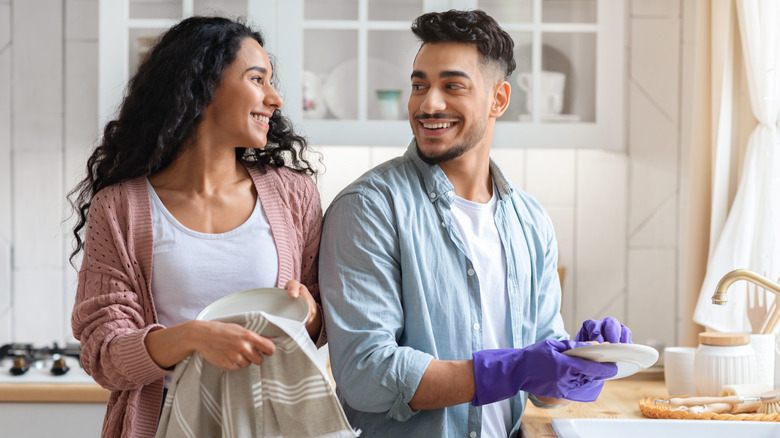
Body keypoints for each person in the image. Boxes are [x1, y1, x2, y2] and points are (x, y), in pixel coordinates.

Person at [319, 9, 632, 437]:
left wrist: (583, 359)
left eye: (452, 86)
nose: (428, 103)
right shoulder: (370, 209)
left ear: (498, 99)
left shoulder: (530, 221)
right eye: (419, 85)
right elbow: (366, 376)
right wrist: (511, 369)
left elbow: (546, 391)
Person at [69, 16, 324, 438]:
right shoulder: (119, 208)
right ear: (201, 86)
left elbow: (320, 321)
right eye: (258, 79)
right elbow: (103, 353)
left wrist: (311, 315)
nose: (275, 98)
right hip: (164, 423)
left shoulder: (294, 195)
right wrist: (192, 338)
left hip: (269, 421)